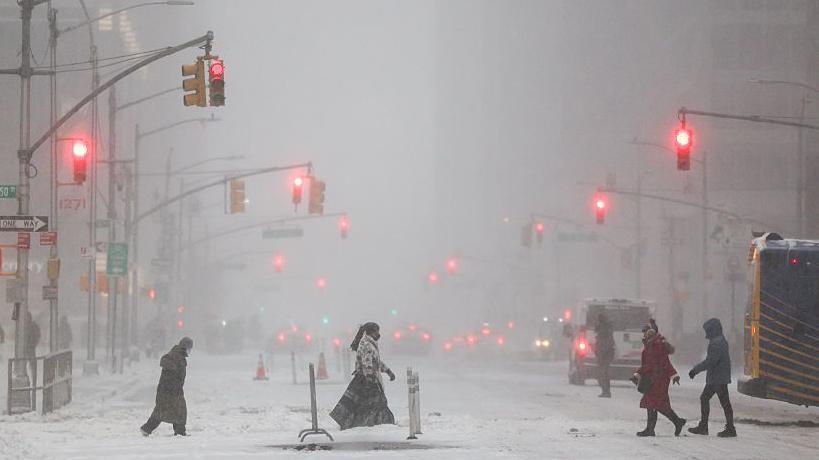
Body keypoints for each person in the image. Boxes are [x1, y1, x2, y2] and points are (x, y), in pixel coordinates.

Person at [330, 322, 396, 430]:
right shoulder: (367, 345)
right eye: (377, 332)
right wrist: (370, 379)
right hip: (365, 379)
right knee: (375, 403)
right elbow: (367, 363)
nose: (378, 334)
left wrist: (388, 371)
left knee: (358, 405)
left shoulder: (370, 343)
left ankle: (363, 423)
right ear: (371, 332)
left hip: (364, 379)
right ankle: (381, 423)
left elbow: (376, 362)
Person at [633, 323, 686, 437]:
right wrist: (637, 374)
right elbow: (647, 365)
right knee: (654, 404)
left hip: (658, 380)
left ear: (651, 333)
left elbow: (665, 363)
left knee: (655, 404)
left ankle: (655, 428)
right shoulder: (649, 346)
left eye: (646, 332)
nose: (644, 334)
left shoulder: (656, 346)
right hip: (653, 379)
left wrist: (674, 375)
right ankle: (675, 422)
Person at [688, 318, 736, 437]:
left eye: (707, 330)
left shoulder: (716, 343)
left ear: (712, 330)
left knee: (714, 400)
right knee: (720, 401)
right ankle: (726, 427)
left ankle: (709, 427)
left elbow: (710, 361)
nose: (706, 333)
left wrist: (695, 370)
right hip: (719, 377)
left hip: (717, 378)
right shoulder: (720, 340)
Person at [141, 337, 193, 437]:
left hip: (170, 390)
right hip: (170, 391)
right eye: (189, 348)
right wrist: (174, 387)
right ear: (184, 347)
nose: (189, 351)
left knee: (167, 410)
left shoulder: (177, 356)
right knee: (177, 410)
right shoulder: (176, 357)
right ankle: (179, 431)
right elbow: (171, 374)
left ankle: (147, 429)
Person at [594, 312, 615, 398]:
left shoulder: (604, 330)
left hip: (604, 355)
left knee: (603, 373)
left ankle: (606, 391)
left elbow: (603, 344)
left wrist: (600, 353)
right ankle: (605, 391)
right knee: (604, 373)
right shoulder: (607, 329)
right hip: (606, 354)